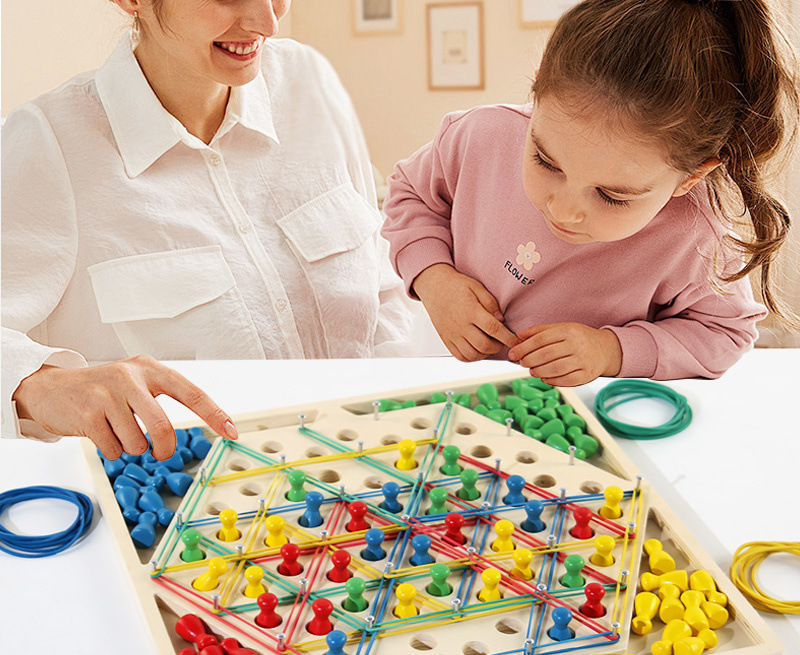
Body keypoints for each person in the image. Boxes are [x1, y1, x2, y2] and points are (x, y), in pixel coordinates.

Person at [1, 0, 411, 459]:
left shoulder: (307, 81)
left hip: (377, 478)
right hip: (183, 513)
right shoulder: (48, 143)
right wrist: (36, 385)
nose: (268, 22)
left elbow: (382, 289)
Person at [382, 0, 799, 386]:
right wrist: (434, 278)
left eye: (612, 196)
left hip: (585, 420)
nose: (563, 210)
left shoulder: (699, 235)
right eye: (546, 161)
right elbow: (410, 193)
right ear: (536, 95)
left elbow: (724, 332)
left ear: (691, 177)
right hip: (442, 375)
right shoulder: (479, 137)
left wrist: (611, 352)